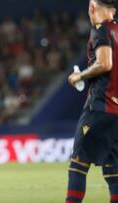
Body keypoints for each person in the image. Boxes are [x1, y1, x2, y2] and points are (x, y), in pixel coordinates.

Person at [66, 0, 118, 202]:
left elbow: (105, 63)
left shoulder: (101, 29)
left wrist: (80, 76)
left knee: (78, 165)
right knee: (114, 173)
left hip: (99, 108)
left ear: (92, 7)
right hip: (116, 114)